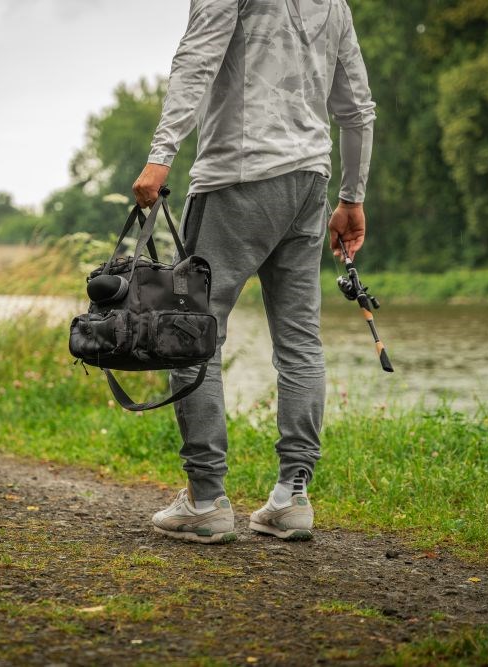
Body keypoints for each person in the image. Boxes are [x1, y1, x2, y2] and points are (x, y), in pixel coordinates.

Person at [133, 0, 375, 543]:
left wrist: (161, 154)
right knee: (300, 340)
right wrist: (352, 197)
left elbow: (196, 59)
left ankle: (205, 500)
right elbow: (357, 108)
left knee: (192, 332)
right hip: (309, 182)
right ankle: (292, 496)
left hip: (235, 178)